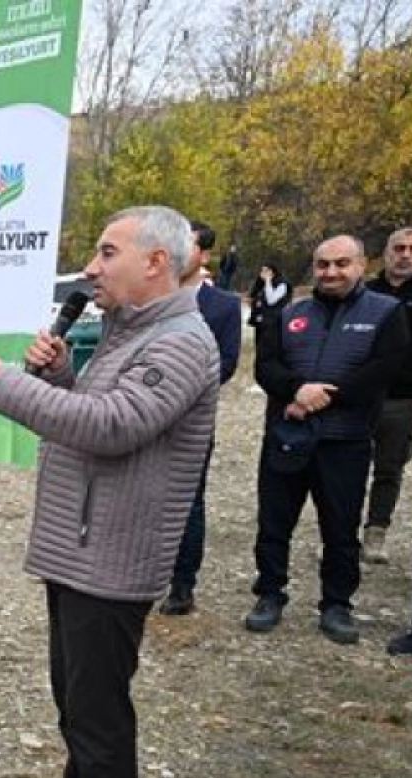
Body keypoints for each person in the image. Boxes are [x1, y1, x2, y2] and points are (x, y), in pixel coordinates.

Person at [0, 205, 220, 778]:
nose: (91, 268)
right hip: (80, 548)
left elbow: (115, 427)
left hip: (114, 555)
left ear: (156, 261)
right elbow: (89, 419)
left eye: (106, 252)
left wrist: (8, 388)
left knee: (99, 711)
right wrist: (62, 375)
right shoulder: (132, 335)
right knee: (74, 697)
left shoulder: (183, 341)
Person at [245, 235, 410, 644]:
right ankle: (269, 593)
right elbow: (266, 365)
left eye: (341, 263)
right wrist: (297, 389)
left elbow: (384, 369)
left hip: (345, 440)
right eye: (322, 265)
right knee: (273, 522)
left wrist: (325, 397)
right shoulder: (291, 313)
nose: (331, 272)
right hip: (288, 436)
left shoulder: (386, 312)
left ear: (361, 265)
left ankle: (336, 604)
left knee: (340, 527)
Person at [158, 220, 242, 616]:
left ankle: (182, 583)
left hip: (189, 422)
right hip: (139, 419)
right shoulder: (147, 298)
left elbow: (225, 364)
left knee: (188, 502)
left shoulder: (222, 306)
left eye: (186, 245)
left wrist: (171, 390)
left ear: (205, 255)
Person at [361, 228, 412, 564]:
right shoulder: (365, 292)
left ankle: (376, 530)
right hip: (360, 393)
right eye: (398, 248)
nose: (405, 255)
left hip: (403, 395)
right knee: (349, 461)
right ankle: (343, 528)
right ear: (386, 252)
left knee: (389, 466)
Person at [247, 263, 289, 330]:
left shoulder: (281, 284)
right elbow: (251, 298)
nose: (263, 273)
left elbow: (271, 301)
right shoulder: (260, 283)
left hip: (273, 322)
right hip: (259, 322)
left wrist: (268, 281)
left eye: (266, 270)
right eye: (262, 270)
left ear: (273, 272)